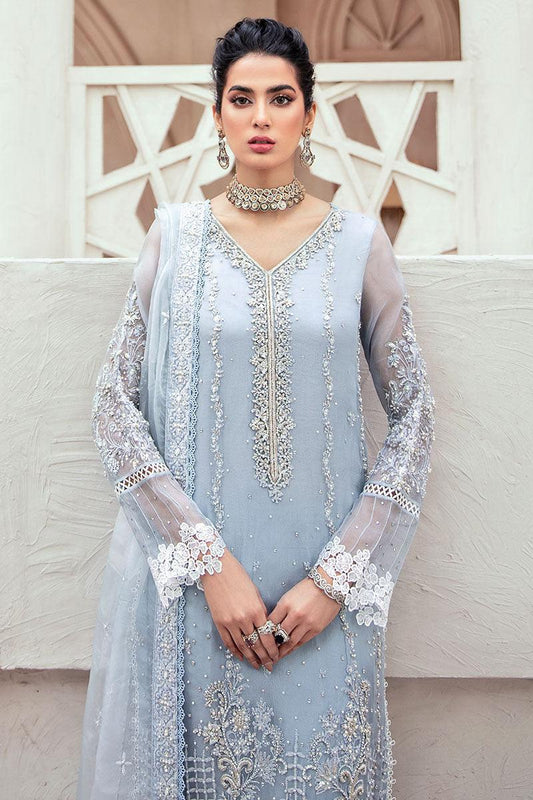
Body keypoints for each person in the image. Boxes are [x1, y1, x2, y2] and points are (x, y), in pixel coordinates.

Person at [76, 16, 435, 800]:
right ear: (217, 115)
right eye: (242, 99)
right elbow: (112, 405)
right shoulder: (175, 240)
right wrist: (204, 562)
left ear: (309, 113)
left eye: (280, 98)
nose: (261, 117)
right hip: (202, 599)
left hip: (321, 606)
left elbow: (414, 415)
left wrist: (337, 577)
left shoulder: (356, 243)